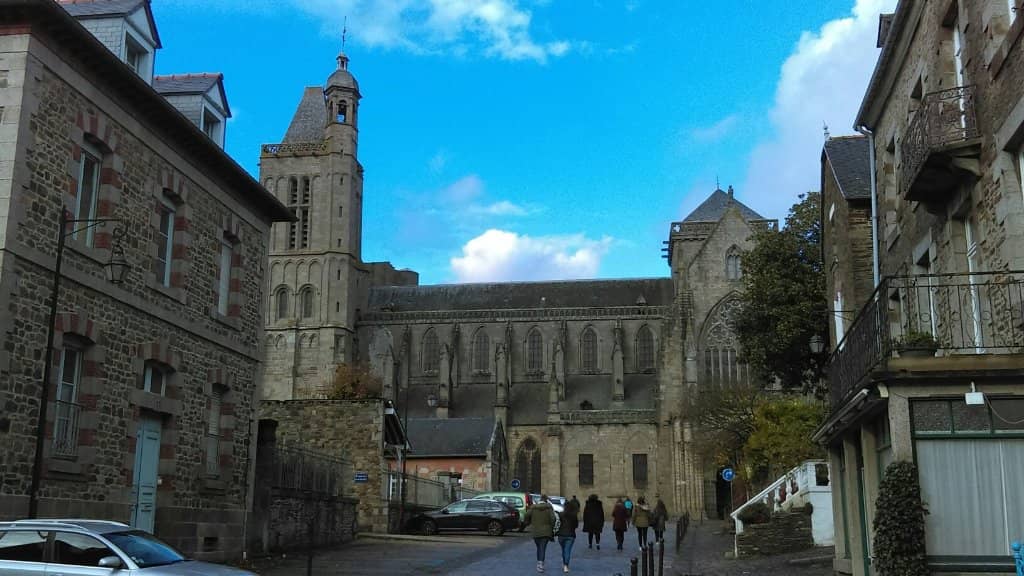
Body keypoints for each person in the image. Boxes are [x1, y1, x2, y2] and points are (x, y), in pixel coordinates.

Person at [524, 494, 558, 573]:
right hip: (546, 531)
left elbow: (526, 515)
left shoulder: (533, 508)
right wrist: (551, 527)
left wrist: (528, 522)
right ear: (546, 500)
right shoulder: (549, 508)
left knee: (539, 547)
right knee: (542, 548)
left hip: (536, 531)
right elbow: (553, 519)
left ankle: (539, 563)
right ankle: (540, 564)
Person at [556, 496, 579, 573]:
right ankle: (566, 565)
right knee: (567, 550)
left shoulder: (561, 514)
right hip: (570, 535)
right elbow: (576, 525)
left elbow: (557, 523)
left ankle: (564, 563)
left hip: (561, 535)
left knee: (564, 550)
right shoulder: (574, 515)